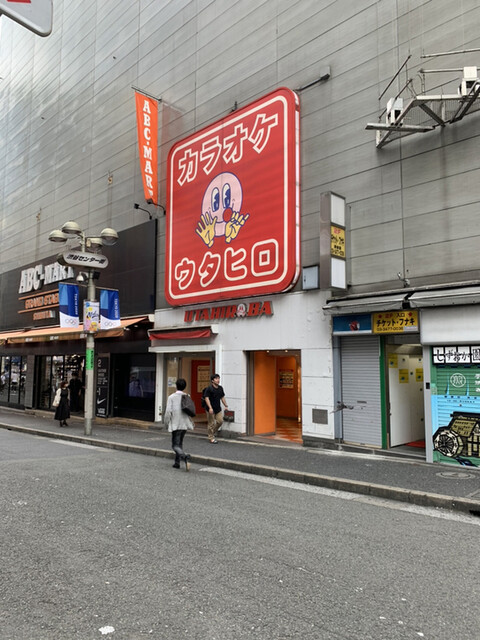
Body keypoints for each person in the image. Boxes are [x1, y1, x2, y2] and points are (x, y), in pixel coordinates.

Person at [163, 378, 193, 471]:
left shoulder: (171, 397)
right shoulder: (187, 396)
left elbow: (168, 412)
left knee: (175, 445)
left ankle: (185, 457)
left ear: (176, 386)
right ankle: (177, 463)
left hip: (176, 423)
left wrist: (166, 423)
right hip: (184, 423)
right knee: (179, 443)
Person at [204, 373, 228, 444]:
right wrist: (210, 408)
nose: (218, 380)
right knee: (211, 423)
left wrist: (226, 405)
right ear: (212, 380)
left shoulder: (220, 388)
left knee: (220, 421)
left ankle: (211, 432)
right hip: (210, 409)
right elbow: (206, 398)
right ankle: (211, 437)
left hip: (218, 409)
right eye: (216, 379)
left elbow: (222, 397)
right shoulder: (209, 389)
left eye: (218, 378)